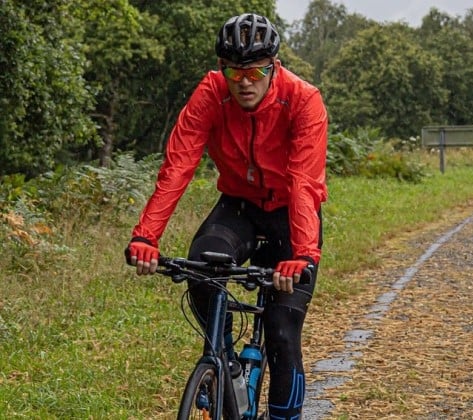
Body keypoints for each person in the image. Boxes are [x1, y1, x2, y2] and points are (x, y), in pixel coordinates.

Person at [125, 12, 327, 419]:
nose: (244, 82)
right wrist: (146, 236)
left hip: (290, 215)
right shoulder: (210, 94)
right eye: (234, 73)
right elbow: (177, 166)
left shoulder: (304, 99)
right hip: (237, 208)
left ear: (274, 67)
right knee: (200, 273)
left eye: (255, 72)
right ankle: (224, 362)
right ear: (223, 70)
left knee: (282, 335)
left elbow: (304, 182)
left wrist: (303, 254)